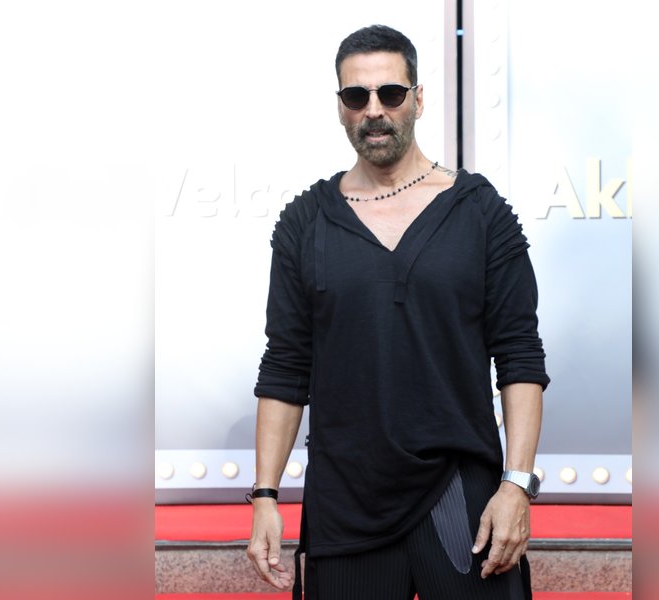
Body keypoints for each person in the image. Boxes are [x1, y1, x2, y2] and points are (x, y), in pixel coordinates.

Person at [246, 24, 549, 600]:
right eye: (356, 96)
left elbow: (520, 356)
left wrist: (516, 485)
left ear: (418, 98)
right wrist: (265, 495)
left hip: (461, 497)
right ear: (340, 106)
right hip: (346, 502)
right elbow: (285, 365)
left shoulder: (481, 212)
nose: (374, 110)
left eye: (390, 93)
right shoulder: (304, 223)